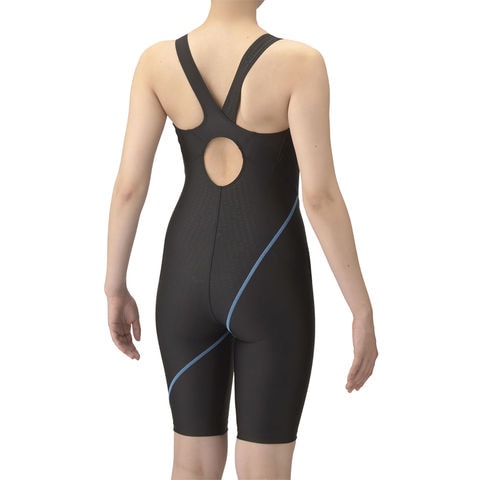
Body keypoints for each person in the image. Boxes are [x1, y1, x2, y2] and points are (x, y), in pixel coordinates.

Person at [104, 0, 378, 478]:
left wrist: (114, 286)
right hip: (270, 279)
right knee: (264, 470)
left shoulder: (157, 63)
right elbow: (320, 197)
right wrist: (361, 309)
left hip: (184, 276)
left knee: (191, 465)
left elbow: (129, 187)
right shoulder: (300, 63)